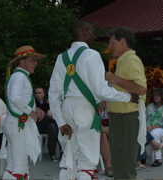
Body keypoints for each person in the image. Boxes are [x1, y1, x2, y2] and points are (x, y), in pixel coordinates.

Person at [48, 20, 137, 180]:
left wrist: (60, 121)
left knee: (69, 158)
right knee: (87, 162)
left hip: (67, 107)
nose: (94, 36)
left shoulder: (61, 58)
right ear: (83, 32)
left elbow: (53, 94)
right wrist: (128, 97)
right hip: (85, 109)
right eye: (91, 32)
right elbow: (100, 90)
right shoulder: (92, 55)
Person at [105, 26, 147, 179]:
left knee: (126, 166)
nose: (109, 47)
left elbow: (141, 89)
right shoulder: (123, 61)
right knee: (119, 164)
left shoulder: (132, 60)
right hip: (119, 118)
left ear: (123, 42)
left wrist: (114, 79)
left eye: (111, 43)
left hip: (127, 118)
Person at [2, 45, 45, 179]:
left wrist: (34, 108)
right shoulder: (20, 76)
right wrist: (30, 112)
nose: (35, 63)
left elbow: (18, 98)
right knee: (19, 167)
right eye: (32, 59)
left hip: (14, 123)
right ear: (21, 61)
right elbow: (15, 98)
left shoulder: (18, 76)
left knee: (12, 167)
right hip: (18, 124)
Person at [146, 88, 163, 167]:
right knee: (139, 131)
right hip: (148, 128)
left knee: (154, 133)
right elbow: (144, 117)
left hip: (162, 129)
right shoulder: (150, 106)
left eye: (158, 95)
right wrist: (145, 126)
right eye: (154, 96)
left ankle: (158, 159)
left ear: (162, 97)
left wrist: (153, 127)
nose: (155, 97)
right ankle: (142, 156)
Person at [34, 87, 59, 162]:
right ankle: (56, 123)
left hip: (47, 126)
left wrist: (51, 111)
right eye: (36, 93)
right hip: (37, 126)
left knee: (52, 127)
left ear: (43, 94)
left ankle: (52, 154)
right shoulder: (33, 105)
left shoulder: (48, 104)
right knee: (46, 117)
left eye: (39, 93)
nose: (38, 95)